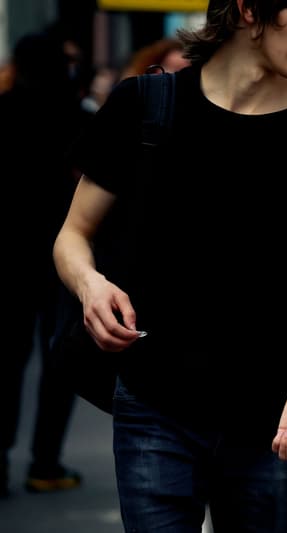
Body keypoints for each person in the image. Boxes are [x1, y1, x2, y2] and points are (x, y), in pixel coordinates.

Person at [52, 1, 287, 531]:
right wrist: (90, 285)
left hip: (270, 413)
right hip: (154, 402)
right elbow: (72, 235)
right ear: (248, 8)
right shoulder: (143, 105)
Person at [0, 30, 91, 498]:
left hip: (6, 259)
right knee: (58, 360)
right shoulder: (74, 118)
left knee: (5, 364)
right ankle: (44, 463)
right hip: (61, 256)